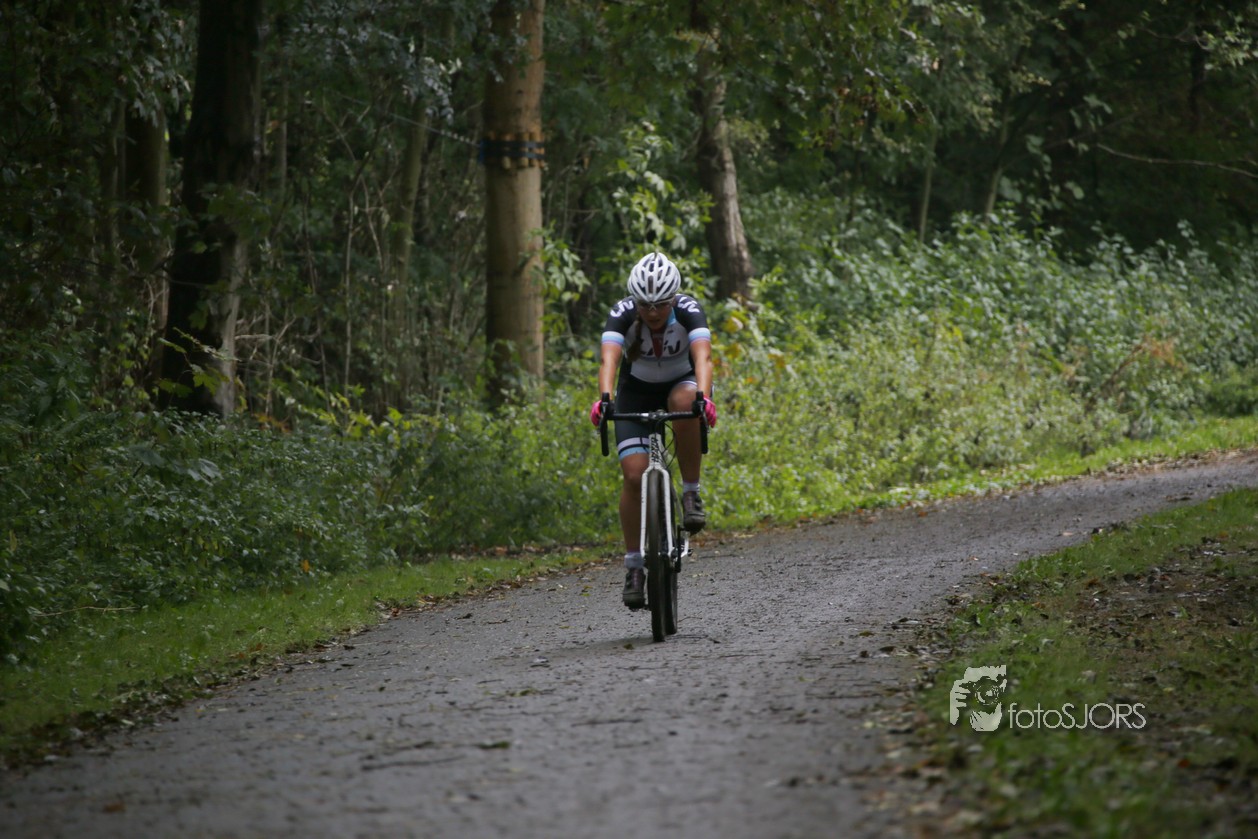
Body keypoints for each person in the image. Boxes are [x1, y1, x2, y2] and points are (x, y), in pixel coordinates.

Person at [589, 252, 718, 609]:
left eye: (661, 304)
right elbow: (608, 359)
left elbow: (704, 357)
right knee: (634, 476)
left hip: (682, 383)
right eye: (645, 305)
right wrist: (604, 398)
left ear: (673, 299)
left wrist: (704, 397)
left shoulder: (689, 310)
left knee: (685, 401)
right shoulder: (622, 314)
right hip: (636, 392)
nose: (653, 312)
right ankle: (634, 567)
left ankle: (691, 493)